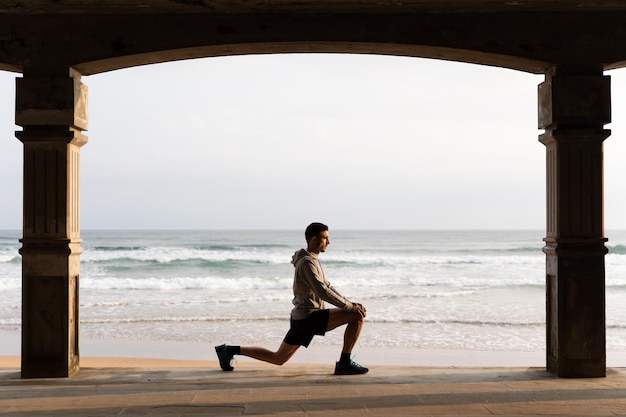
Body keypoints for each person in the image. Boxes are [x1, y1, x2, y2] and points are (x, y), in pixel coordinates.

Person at [215, 222, 368, 375]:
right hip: (309, 317)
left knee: (278, 358)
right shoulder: (307, 262)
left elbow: (327, 286)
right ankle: (344, 362)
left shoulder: (311, 259)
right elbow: (322, 291)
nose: (329, 242)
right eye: (325, 238)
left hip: (301, 319)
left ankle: (228, 350)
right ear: (314, 239)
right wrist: (349, 307)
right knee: (357, 315)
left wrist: (349, 303)